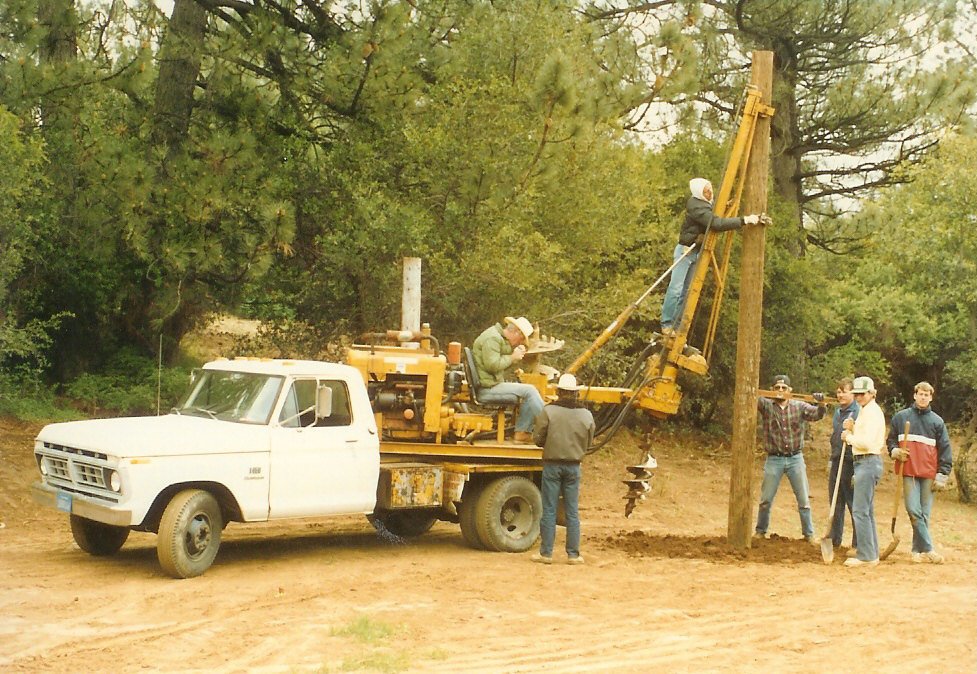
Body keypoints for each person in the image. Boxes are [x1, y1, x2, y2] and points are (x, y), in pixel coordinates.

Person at [660, 178, 762, 332]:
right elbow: (716, 223)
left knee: (687, 292)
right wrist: (744, 220)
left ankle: (678, 326)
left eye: (710, 189)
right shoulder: (696, 207)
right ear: (699, 193)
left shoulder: (706, 204)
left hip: (696, 252)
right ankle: (667, 324)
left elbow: (715, 214)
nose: (710, 193)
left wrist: (728, 206)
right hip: (686, 251)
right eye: (706, 191)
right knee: (676, 288)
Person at [531, 373, 595, 565]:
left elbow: (538, 439)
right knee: (572, 511)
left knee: (549, 510)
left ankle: (546, 554)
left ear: (559, 391)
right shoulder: (586, 414)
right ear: (576, 393)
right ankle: (573, 555)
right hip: (574, 467)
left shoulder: (549, 411)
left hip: (552, 465)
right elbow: (589, 442)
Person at [887, 381, 954, 564]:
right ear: (914, 395)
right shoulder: (900, 418)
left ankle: (917, 550)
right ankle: (930, 550)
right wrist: (895, 452)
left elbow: (945, 450)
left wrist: (942, 474)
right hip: (908, 471)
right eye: (920, 394)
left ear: (930, 398)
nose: (923, 397)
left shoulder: (937, 422)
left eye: (927, 395)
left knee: (924, 514)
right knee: (913, 510)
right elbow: (891, 440)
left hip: (929, 474)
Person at [754, 374, 826, 543]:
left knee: (804, 499)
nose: (780, 391)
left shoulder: (799, 406)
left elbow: (817, 414)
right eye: (777, 388)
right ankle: (760, 531)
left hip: (795, 459)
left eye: (783, 388)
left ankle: (809, 535)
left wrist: (821, 403)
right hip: (774, 459)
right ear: (772, 390)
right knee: (765, 499)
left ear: (789, 390)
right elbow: (750, 394)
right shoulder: (766, 405)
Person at [472, 316, 545, 443]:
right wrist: (512, 357)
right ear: (515, 332)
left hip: (490, 384)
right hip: (487, 388)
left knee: (528, 391)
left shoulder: (497, 337)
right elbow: (493, 366)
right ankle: (553, 426)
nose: (520, 343)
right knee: (530, 391)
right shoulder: (493, 338)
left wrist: (515, 356)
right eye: (521, 339)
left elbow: (499, 360)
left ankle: (522, 432)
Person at [841, 376, 886, 567]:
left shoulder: (873, 413)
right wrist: (853, 428)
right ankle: (871, 553)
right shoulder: (865, 411)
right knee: (866, 511)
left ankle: (866, 556)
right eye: (857, 394)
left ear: (871, 394)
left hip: (867, 461)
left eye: (862, 394)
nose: (859, 397)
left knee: (860, 510)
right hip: (864, 462)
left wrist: (849, 437)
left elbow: (866, 442)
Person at [828, 377, 860, 552]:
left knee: (852, 503)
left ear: (853, 394)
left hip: (850, 462)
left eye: (844, 391)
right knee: (835, 501)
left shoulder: (858, 412)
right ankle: (834, 539)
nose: (840, 395)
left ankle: (856, 543)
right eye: (838, 392)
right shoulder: (838, 412)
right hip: (836, 459)